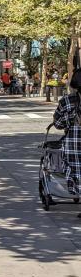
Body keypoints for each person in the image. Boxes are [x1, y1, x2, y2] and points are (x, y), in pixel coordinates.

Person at [52, 69, 81, 202]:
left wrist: (69, 118)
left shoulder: (67, 101)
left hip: (73, 146)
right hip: (73, 146)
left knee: (75, 171)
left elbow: (57, 123)